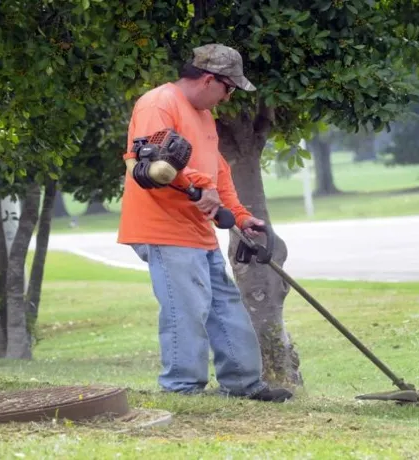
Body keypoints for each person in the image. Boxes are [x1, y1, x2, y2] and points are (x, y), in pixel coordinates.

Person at [117, 44, 293, 403]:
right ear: (210, 80)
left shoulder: (204, 115)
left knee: (225, 304)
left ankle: (243, 384)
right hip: (162, 227)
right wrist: (198, 186)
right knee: (187, 307)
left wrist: (242, 217)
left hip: (197, 230)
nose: (228, 98)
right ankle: (182, 389)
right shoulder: (158, 104)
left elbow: (219, 172)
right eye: (229, 89)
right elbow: (150, 161)